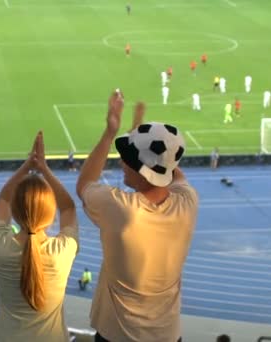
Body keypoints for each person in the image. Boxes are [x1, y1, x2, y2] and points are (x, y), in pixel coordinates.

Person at [76, 90, 198, 342]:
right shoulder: (188, 203)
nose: (121, 163)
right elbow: (167, 167)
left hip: (117, 336)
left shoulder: (120, 210)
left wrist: (111, 131)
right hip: (168, 335)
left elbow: (85, 183)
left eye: (127, 160)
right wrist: (141, 134)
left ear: (142, 171)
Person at [0, 131, 78, 342]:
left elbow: (3, 198)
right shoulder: (62, 250)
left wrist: (28, 165)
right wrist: (44, 168)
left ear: (15, 214)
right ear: (50, 216)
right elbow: (69, 208)